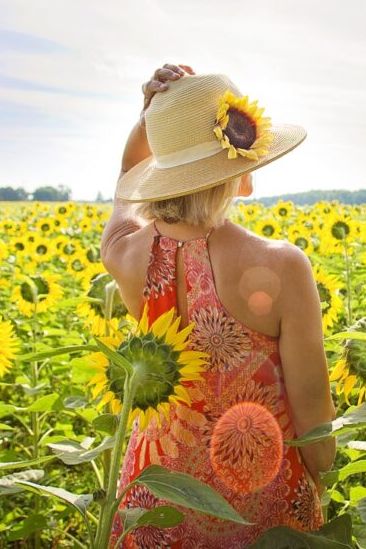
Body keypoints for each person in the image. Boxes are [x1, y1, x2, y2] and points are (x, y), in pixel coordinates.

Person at [100, 63, 337, 547]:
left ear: (160, 172)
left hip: (156, 499)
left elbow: (125, 184)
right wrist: (322, 484)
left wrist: (150, 120)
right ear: (241, 172)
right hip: (260, 498)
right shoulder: (283, 265)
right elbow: (311, 400)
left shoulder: (126, 255)